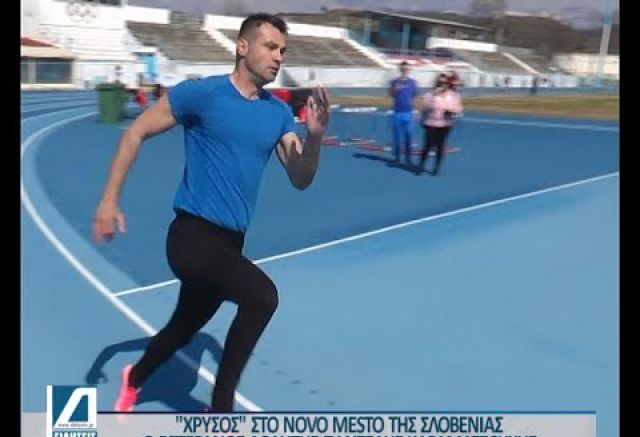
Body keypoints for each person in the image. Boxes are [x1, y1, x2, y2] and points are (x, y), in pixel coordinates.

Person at [92, 13, 331, 413]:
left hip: (230, 245)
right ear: (242, 47)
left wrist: (316, 137)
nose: (279, 57)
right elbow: (136, 131)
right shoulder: (202, 94)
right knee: (262, 298)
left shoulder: (277, 114)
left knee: (182, 329)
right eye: (271, 47)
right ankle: (220, 412)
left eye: (283, 51)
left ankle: (134, 378)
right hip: (190, 236)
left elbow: (300, 177)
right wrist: (108, 200)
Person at [417, 73, 463, 176]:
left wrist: (452, 112)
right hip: (431, 123)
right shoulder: (430, 95)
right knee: (428, 145)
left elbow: (458, 108)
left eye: (444, 83)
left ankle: (436, 167)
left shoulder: (453, 95)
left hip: (445, 124)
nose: (442, 84)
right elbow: (425, 108)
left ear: (448, 84)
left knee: (440, 146)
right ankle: (421, 164)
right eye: (439, 82)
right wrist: (434, 95)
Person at [388, 61, 418, 165]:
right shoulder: (394, 82)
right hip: (398, 112)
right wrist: (395, 90)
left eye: (407, 68)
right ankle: (397, 157)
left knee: (409, 136)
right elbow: (391, 94)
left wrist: (415, 111)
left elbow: (414, 97)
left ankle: (408, 158)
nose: (405, 70)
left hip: (408, 113)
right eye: (403, 68)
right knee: (397, 136)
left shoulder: (412, 82)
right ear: (400, 69)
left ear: (409, 70)